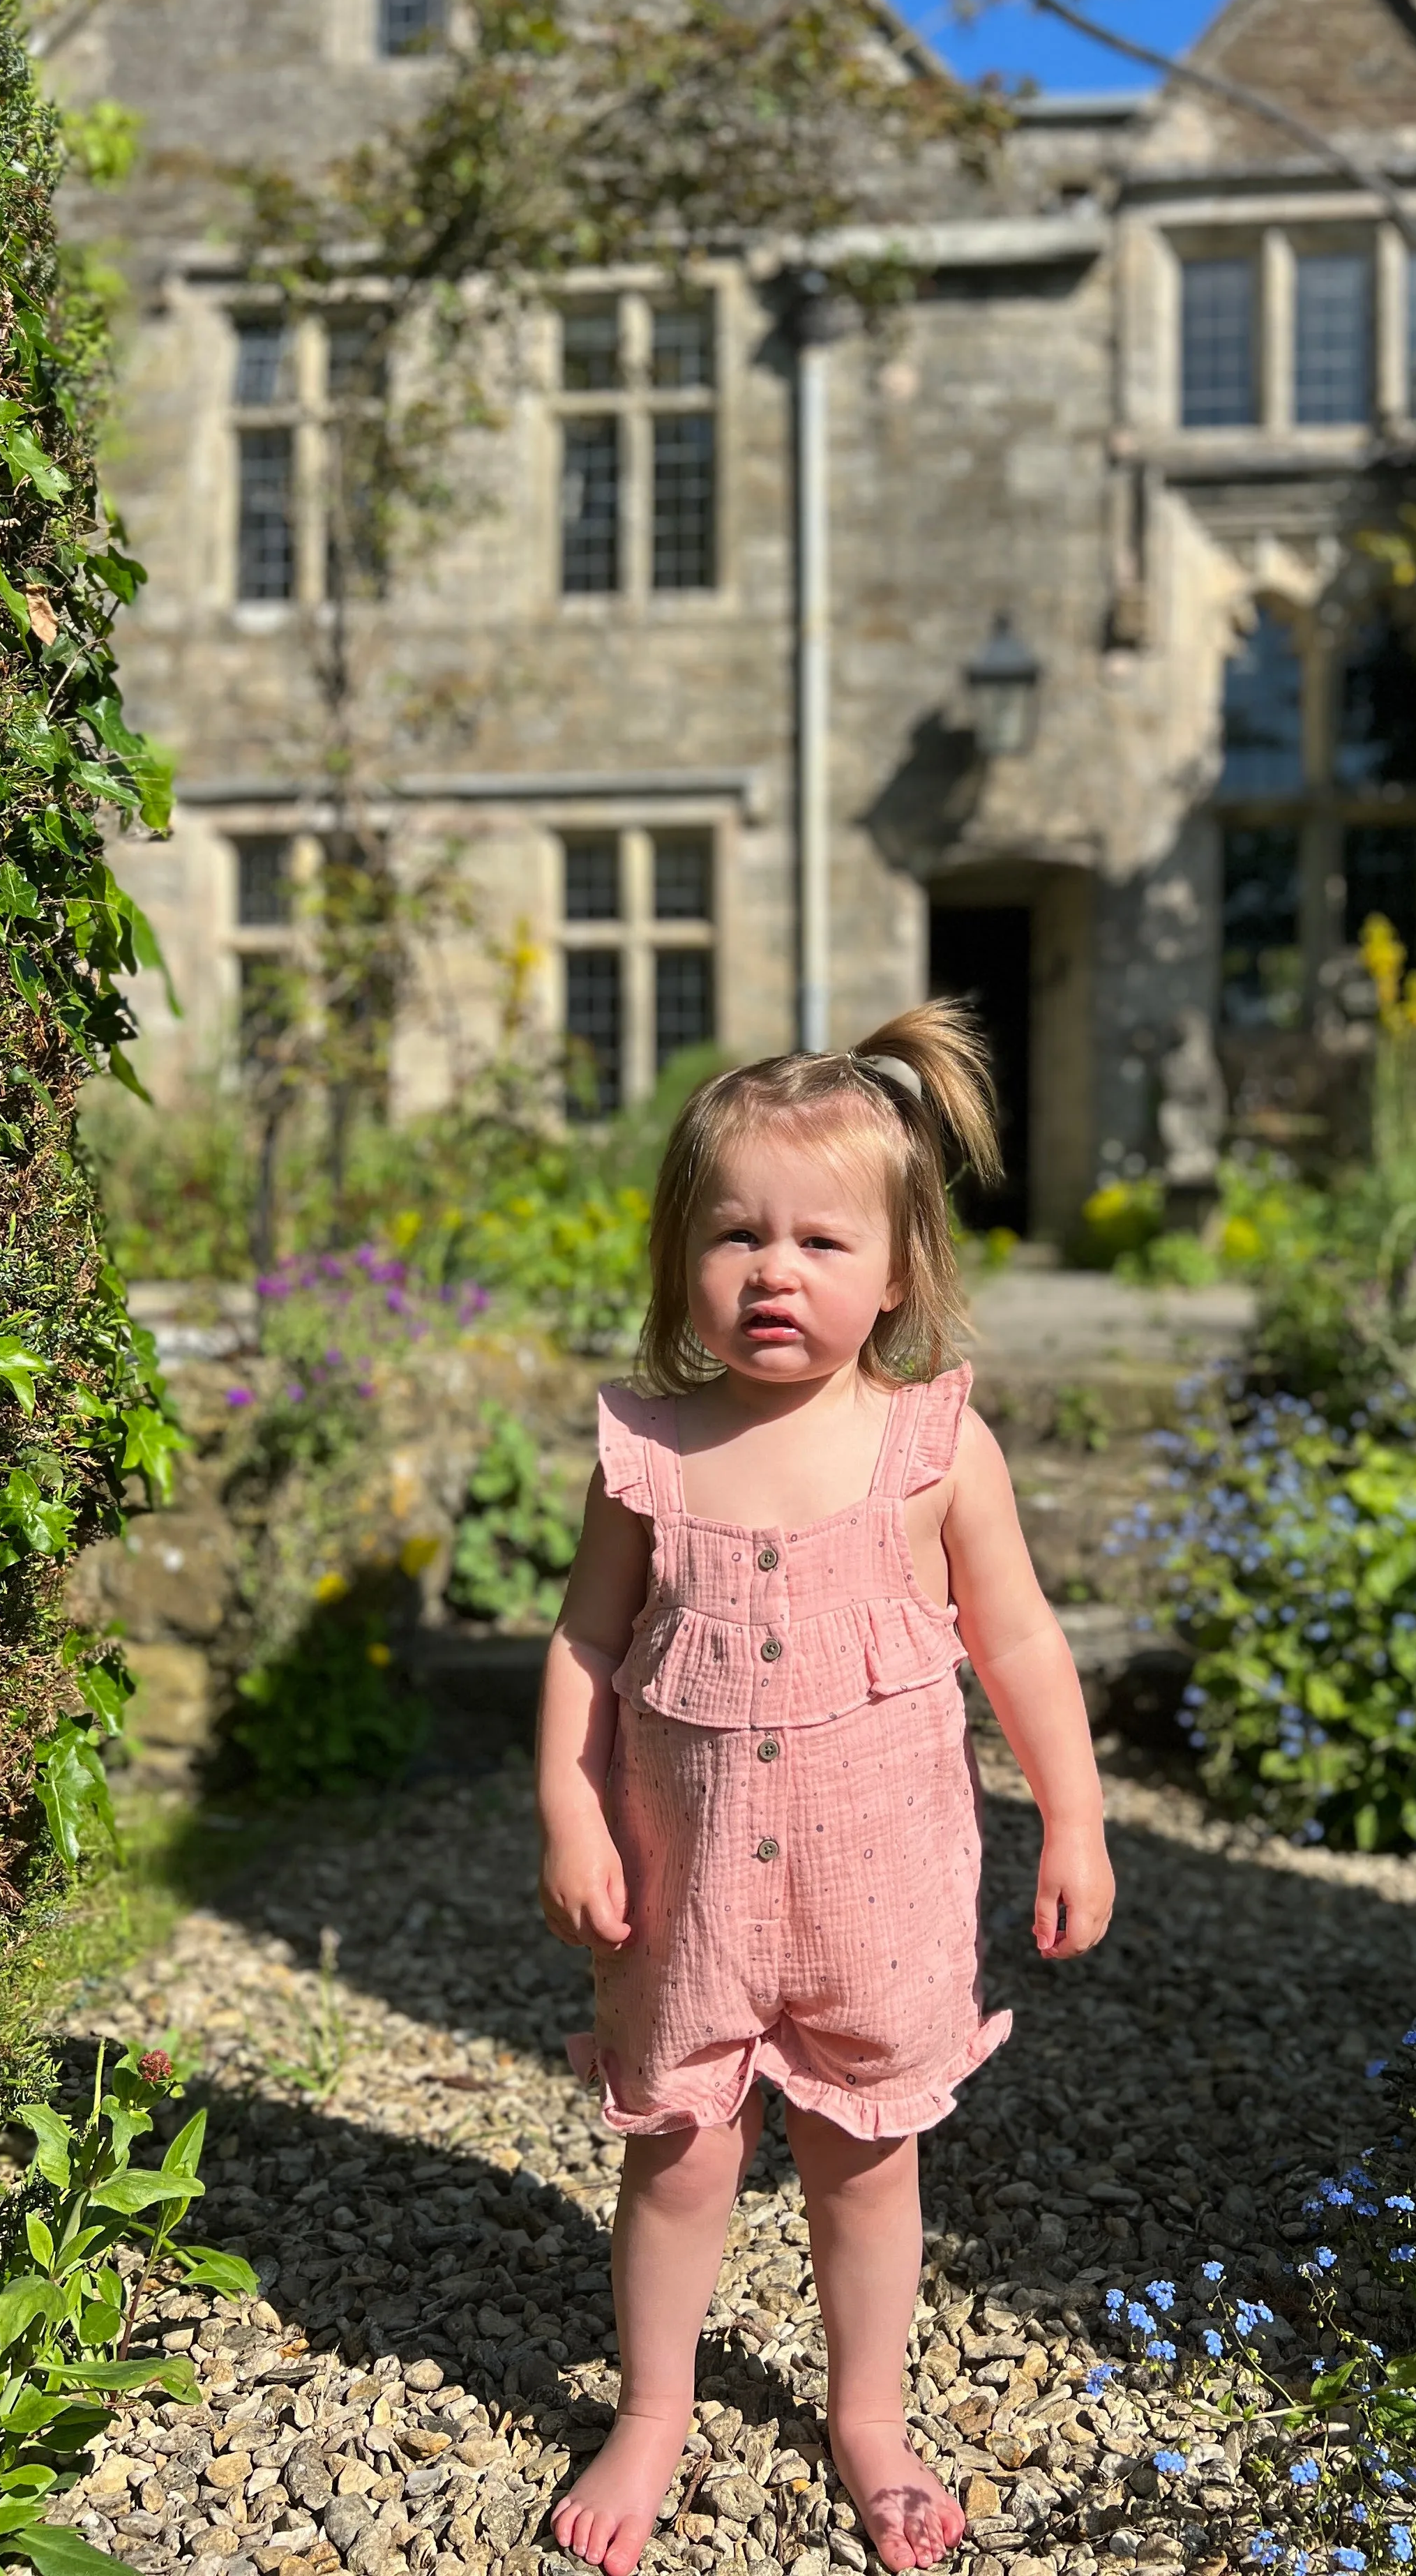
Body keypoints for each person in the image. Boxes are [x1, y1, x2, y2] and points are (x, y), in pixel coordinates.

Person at [535, 1000, 1116, 2576]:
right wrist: (575, 1813)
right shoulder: (650, 1457)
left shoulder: (932, 1449)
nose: (773, 1272)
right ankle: (654, 2406)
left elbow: (1021, 1642)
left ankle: (868, 2414)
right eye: (734, 1237)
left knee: (867, 2165)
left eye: (817, 1242)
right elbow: (587, 1644)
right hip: (691, 1896)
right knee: (678, 2154)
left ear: (899, 1269)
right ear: (679, 1261)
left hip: (878, 1902)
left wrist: (1074, 1813)